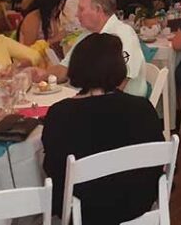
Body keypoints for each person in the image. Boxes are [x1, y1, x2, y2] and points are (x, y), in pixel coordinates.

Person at [42, 33, 164, 225]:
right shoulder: (142, 107)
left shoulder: (60, 114)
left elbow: (53, 169)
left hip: (85, 209)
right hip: (138, 200)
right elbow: (158, 160)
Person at [62, 0, 147, 97]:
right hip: (86, 98)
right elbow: (64, 67)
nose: (76, 14)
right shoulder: (86, 34)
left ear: (98, 9)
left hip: (119, 104)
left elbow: (121, 82)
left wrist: (82, 100)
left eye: (81, 9)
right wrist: (43, 74)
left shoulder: (123, 34)